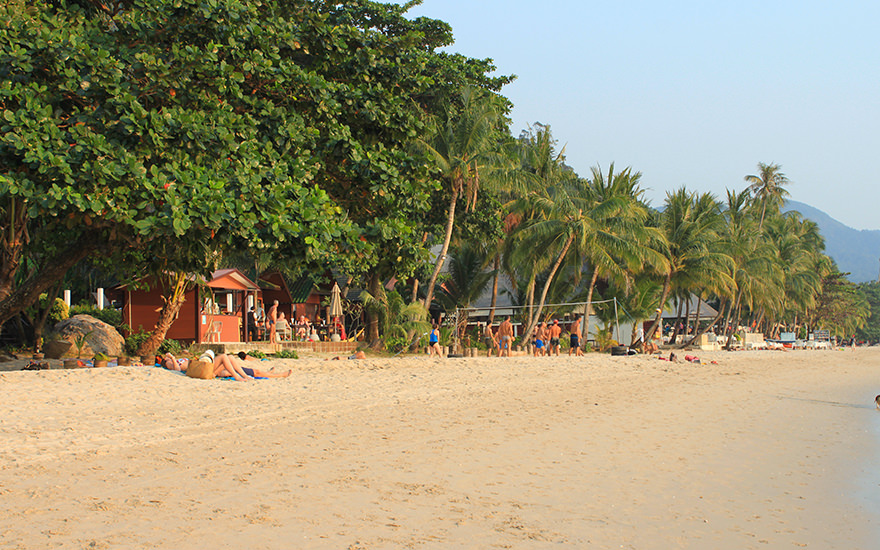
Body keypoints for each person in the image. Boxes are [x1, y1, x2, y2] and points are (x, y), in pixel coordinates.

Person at [161, 350, 291, 380]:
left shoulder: (178, 361)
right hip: (208, 372)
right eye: (165, 361)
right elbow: (178, 370)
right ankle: (279, 375)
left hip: (208, 368)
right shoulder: (172, 364)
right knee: (224, 357)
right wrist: (171, 359)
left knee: (229, 358)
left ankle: (270, 373)